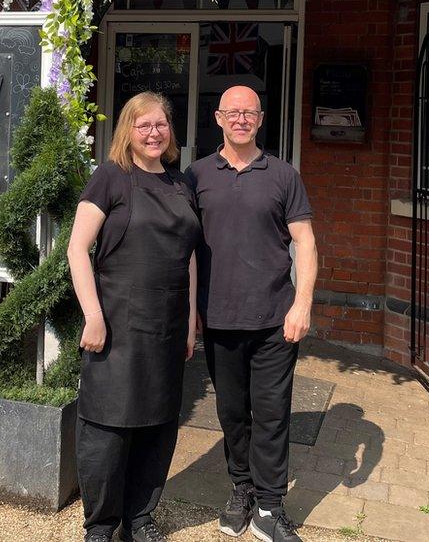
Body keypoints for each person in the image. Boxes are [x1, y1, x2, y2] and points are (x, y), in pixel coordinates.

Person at [67, 91, 201, 542]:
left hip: (166, 324)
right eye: (143, 125)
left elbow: (190, 258)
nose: (153, 133)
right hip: (117, 323)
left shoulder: (181, 184)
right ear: (128, 130)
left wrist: (189, 320)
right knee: (107, 427)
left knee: (159, 423)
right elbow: (77, 250)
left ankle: (141, 517)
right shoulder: (109, 178)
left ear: (170, 131)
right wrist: (93, 316)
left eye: (160, 124)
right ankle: (101, 525)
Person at [187, 85, 317, 542]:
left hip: (275, 319)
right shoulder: (197, 175)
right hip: (219, 318)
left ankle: (271, 505)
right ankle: (241, 488)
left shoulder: (283, 175)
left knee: (272, 411)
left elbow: (305, 242)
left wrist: (302, 303)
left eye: (250, 113)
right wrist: (189, 315)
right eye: (233, 112)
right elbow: (185, 251)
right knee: (231, 413)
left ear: (260, 120)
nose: (241, 119)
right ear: (219, 118)